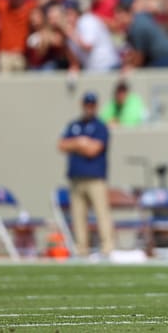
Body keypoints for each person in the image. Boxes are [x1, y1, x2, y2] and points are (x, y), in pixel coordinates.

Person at [58, 92, 114, 259]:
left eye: (92, 104)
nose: (89, 108)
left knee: (101, 214)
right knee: (78, 216)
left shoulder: (100, 127)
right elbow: (61, 145)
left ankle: (107, 248)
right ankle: (81, 249)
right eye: (86, 104)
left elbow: (93, 150)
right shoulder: (74, 125)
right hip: (76, 178)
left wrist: (76, 144)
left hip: (95, 178)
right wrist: (80, 142)